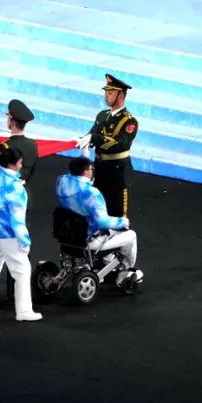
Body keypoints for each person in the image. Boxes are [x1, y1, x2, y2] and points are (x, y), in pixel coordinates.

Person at [0, 146, 43, 321]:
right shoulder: (15, 188)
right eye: (20, 163)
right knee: (22, 270)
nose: (21, 166)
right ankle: (24, 311)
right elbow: (17, 220)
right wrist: (24, 242)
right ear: (12, 164)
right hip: (9, 235)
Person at [57, 157, 142, 286]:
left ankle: (108, 260)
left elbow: (72, 173)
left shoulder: (61, 183)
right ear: (86, 172)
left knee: (107, 230)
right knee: (130, 235)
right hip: (87, 239)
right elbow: (102, 222)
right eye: (90, 169)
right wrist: (123, 222)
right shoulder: (92, 193)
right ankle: (124, 273)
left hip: (66, 235)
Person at [77, 74, 139, 218]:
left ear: (121, 95)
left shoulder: (129, 121)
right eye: (106, 92)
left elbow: (120, 144)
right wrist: (83, 140)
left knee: (116, 215)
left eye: (110, 93)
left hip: (117, 174)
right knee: (97, 212)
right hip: (100, 171)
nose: (106, 96)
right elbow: (92, 134)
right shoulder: (102, 115)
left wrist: (94, 138)